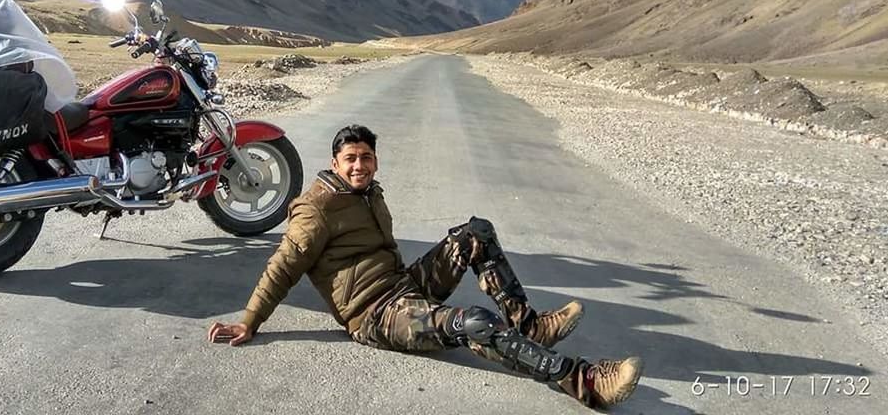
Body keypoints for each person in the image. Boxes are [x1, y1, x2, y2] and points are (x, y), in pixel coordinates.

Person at [208, 124, 642, 409]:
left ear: (375, 160)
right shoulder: (316, 209)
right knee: (473, 322)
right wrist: (250, 321)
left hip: (405, 286)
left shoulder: (368, 192)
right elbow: (283, 266)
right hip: (376, 315)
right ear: (335, 162)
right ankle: (583, 380)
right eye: (351, 159)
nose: (359, 166)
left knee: (475, 232)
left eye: (366, 157)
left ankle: (527, 326)